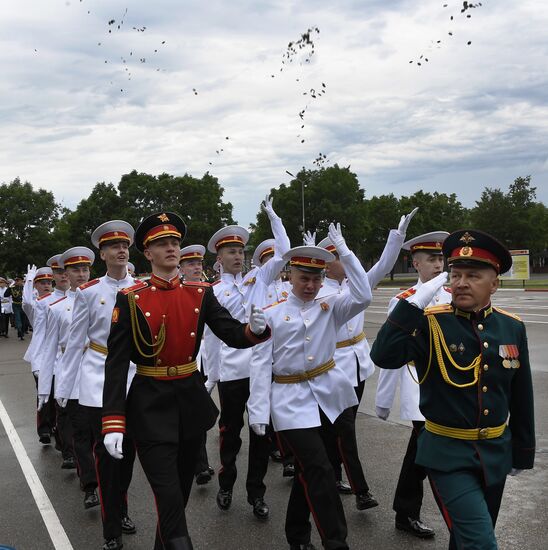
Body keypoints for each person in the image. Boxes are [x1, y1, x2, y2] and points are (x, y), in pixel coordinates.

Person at [101, 212, 271, 550]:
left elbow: (229, 332)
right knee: (168, 497)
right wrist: (113, 421)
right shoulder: (132, 298)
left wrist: (254, 330)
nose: (171, 248)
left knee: (177, 495)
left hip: (189, 402)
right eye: (162, 243)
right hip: (149, 405)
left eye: (175, 242)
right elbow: (117, 364)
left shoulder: (200, 293)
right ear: (147, 253)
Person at [370, 229, 535, 550]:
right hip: (447, 454)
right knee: (481, 542)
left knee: (465, 539)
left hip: (495, 454)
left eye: (473, 275)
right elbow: (384, 356)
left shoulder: (511, 326)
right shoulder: (430, 322)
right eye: (456, 274)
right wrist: (413, 302)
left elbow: (521, 394)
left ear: (494, 283)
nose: (461, 282)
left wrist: (522, 450)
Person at [248, 224, 372, 550]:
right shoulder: (271, 315)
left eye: (317, 279)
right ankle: (336, 541)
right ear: (290, 275)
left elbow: (364, 294)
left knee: (315, 469)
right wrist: (259, 411)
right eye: (305, 278)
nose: (312, 285)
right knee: (319, 469)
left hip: (329, 396)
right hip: (289, 401)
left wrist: (344, 252)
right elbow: (260, 366)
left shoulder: (330, 306)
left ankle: (297, 536)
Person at [314, 208, 417, 505]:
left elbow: (383, 266)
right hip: (333, 365)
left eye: (343, 255)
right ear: (325, 264)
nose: (344, 261)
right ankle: (360, 489)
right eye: (336, 257)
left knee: (341, 425)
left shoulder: (356, 286)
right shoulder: (320, 293)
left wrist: (398, 237)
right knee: (343, 427)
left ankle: (332, 474)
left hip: (356, 361)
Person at [204, 196, 290, 519]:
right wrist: (210, 377)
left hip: (259, 369)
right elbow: (212, 340)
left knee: (261, 433)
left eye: (241, 251)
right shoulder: (212, 292)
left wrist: (274, 218)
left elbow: (283, 252)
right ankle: (226, 483)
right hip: (230, 372)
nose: (238, 256)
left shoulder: (258, 278)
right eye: (231, 252)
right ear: (219, 257)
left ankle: (256, 493)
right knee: (230, 433)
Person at [55, 221, 138, 550]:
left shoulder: (142, 290)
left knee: (128, 455)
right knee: (107, 458)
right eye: (113, 247)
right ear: (102, 254)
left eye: (125, 246)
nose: (121, 251)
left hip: (132, 379)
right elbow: (75, 343)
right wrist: (63, 387)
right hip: (96, 378)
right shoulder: (89, 294)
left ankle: (122, 508)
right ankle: (111, 528)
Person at [374, 231, 451, 538]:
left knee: (418, 456)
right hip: (418, 386)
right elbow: (391, 354)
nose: (437, 264)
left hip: (449, 387)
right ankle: (420, 514)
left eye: (440, 258)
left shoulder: (453, 297)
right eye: (430, 259)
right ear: (416, 263)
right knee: (429, 452)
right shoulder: (403, 301)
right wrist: (383, 399)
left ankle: (405, 513)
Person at [38, 248, 96, 473]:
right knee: (80, 430)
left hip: (97, 371)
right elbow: (49, 348)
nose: (81, 274)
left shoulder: (101, 299)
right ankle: (90, 483)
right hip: (70, 371)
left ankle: (100, 478)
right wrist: (44, 387)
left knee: (98, 432)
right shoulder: (56, 308)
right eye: (75, 270)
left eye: (85, 269)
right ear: (66, 274)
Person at [179, 244, 215, 486]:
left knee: (197, 414)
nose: (196, 267)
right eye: (190, 264)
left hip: (204, 357)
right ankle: (196, 463)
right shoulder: (178, 291)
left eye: (199, 264)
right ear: (181, 267)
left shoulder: (207, 291)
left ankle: (200, 464)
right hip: (184, 359)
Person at [25, 255, 70, 445]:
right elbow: (27, 305)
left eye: (46, 282)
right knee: (45, 396)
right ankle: (46, 429)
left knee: (63, 400)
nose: (45, 285)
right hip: (44, 356)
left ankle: (62, 439)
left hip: (67, 357)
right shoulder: (42, 304)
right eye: (40, 282)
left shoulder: (77, 297)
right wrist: (28, 281)